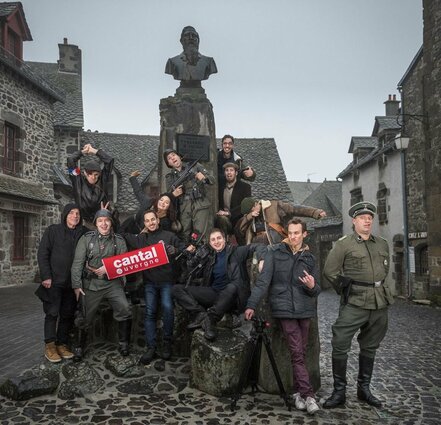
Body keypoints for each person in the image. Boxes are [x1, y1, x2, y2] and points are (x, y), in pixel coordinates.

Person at [244, 219, 321, 415]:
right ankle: (309, 394)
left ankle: (297, 392)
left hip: (304, 309)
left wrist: (312, 286)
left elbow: (317, 289)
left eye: (297, 233)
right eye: (290, 233)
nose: (293, 237)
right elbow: (263, 282)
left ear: (304, 234)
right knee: (296, 351)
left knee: (301, 353)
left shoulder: (309, 258)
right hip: (284, 309)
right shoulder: (275, 253)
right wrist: (251, 304)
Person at [322, 201, 393, 409]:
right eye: (363, 218)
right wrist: (345, 290)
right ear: (354, 221)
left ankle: (364, 389)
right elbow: (330, 271)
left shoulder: (382, 244)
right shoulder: (344, 244)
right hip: (354, 302)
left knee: (370, 345)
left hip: (379, 303)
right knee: (340, 342)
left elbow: (384, 270)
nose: (367, 221)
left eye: (370, 218)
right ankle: (339, 392)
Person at [122, 210, 192, 364]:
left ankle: (167, 343)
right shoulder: (141, 239)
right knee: (150, 311)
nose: (151, 223)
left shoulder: (170, 236)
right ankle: (151, 347)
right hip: (150, 283)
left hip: (167, 281)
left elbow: (186, 251)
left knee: (167, 307)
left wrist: (176, 251)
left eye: (153, 219)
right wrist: (133, 217)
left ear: (158, 220)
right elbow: (122, 233)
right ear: (144, 224)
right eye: (147, 221)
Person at [172, 228, 266, 341]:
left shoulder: (236, 252)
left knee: (231, 286)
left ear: (225, 239)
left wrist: (262, 259)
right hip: (215, 294)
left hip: (233, 297)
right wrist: (193, 257)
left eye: (219, 238)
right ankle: (201, 314)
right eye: (213, 240)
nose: (216, 242)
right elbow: (192, 272)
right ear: (210, 243)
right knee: (176, 289)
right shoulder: (211, 258)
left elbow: (258, 246)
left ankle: (210, 320)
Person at [70, 209, 131, 361]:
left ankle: (124, 343)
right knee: (84, 316)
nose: (104, 224)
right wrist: (76, 286)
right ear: (96, 223)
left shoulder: (119, 241)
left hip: (112, 283)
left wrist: (110, 269)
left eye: (107, 220)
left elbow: (124, 265)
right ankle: (79, 346)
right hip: (91, 284)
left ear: (111, 223)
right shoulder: (87, 239)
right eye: (100, 221)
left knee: (125, 308)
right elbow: (77, 264)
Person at [37, 204, 88, 363]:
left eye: (77, 213)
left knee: (67, 314)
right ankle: (50, 346)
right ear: (65, 215)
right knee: (52, 313)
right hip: (54, 280)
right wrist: (46, 276)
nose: (75, 216)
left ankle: (62, 344)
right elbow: (43, 253)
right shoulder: (53, 231)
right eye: (72, 213)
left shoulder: (84, 233)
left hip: (72, 283)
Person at [164, 148, 214, 242]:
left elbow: (212, 180)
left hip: (200, 202)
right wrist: (174, 194)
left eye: (174, 155)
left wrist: (205, 178)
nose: (173, 158)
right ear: (169, 164)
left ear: (179, 156)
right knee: (184, 233)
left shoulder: (195, 166)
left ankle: (202, 254)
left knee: (200, 233)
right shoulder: (170, 177)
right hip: (183, 206)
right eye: (169, 158)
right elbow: (168, 196)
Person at [236, 198, 326, 246]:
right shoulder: (249, 218)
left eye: (252, 209)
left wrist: (315, 212)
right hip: (257, 247)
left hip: (276, 244)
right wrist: (249, 217)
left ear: (256, 203)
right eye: (249, 212)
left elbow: (295, 209)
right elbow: (239, 230)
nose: (252, 212)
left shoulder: (274, 205)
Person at [67, 143, 114, 226]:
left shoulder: (103, 180)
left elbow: (109, 160)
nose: (93, 177)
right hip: (83, 222)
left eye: (96, 174)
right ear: (85, 173)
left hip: (101, 221)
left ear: (99, 174)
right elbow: (71, 160)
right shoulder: (78, 179)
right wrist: (83, 152)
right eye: (90, 174)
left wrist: (93, 151)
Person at [216, 162, 251, 238]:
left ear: (236, 173)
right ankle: (224, 240)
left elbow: (246, 206)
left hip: (239, 220)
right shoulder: (220, 186)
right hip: (224, 221)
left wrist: (229, 213)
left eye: (231, 170)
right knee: (221, 219)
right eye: (227, 170)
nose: (229, 173)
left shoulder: (245, 187)